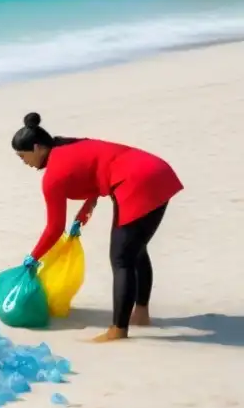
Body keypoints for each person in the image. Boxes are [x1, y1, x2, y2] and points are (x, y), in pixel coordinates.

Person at [12, 112, 184, 342]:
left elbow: (54, 228)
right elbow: (95, 168)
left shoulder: (52, 177)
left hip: (135, 182)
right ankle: (141, 313)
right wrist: (83, 214)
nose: (24, 163)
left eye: (23, 157)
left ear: (37, 148)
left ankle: (118, 330)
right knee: (135, 248)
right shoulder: (70, 145)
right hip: (157, 170)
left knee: (122, 258)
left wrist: (33, 258)